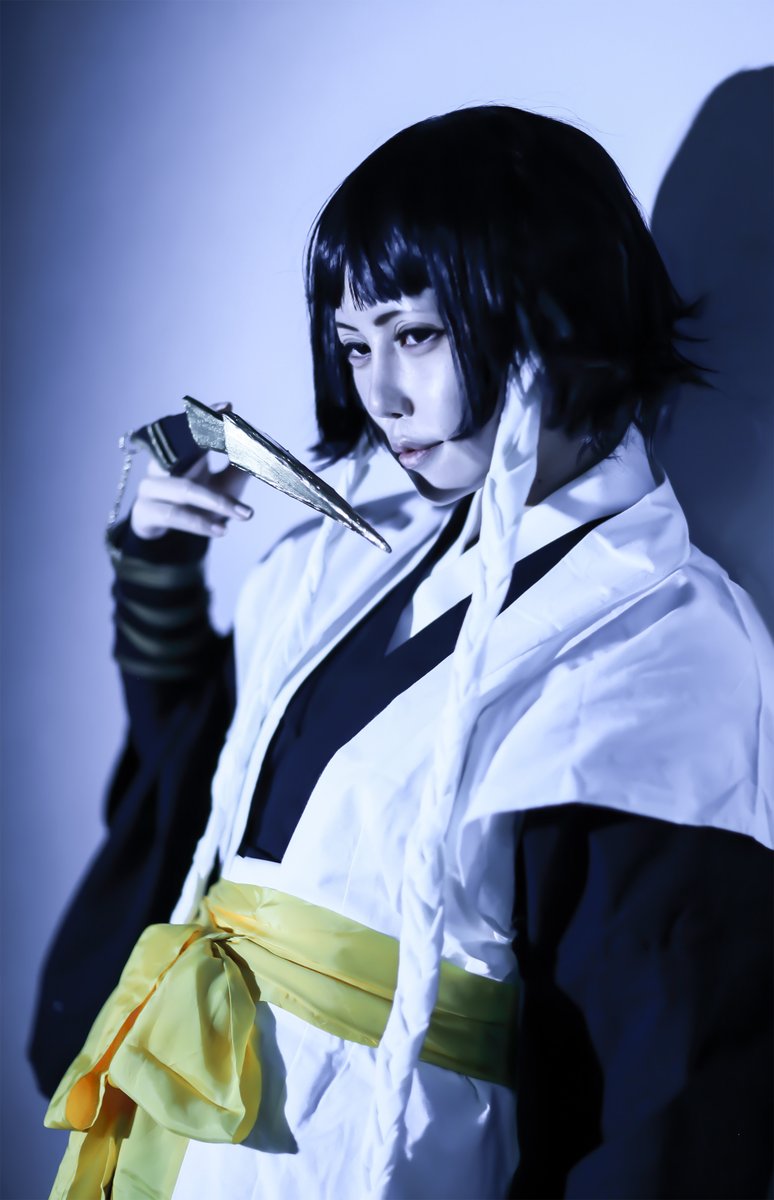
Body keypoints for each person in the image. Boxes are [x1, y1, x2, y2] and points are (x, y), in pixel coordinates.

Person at [42, 105, 773, 1199]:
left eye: (416, 336)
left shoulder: (667, 647)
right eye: (355, 347)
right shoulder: (355, 554)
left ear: (550, 307)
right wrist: (155, 562)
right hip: (178, 1146)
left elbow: (663, 1112)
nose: (381, 398)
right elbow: (205, 790)